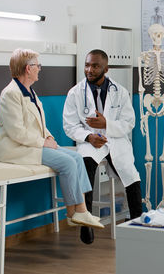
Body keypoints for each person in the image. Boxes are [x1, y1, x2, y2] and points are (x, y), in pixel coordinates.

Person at [0, 48, 103, 232]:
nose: (40, 69)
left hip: (32, 144)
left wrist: (48, 136)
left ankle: (77, 211)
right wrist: (43, 142)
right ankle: (76, 212)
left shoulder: (29, 91)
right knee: (67, 162)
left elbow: (38, 123)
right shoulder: (11, 94)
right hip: (16, 148)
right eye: (38, 65)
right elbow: (16, 132)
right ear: (28, 68)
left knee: (77, 157)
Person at [63, 49, 143, 244]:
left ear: (105, 68)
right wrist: (89, 136)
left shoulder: (120, 92)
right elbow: (69, 126)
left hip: (115, 140)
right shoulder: (75, 93)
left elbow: (129, 122)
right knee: (86, 166)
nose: (89, 69)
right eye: (87, 65)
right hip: (90, 142)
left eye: (95, 66)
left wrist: (107, 124)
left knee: (131, 176)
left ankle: (137, 224)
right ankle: (86, 222)